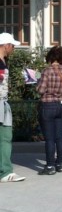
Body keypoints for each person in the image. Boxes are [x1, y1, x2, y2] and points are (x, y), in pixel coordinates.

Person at [36, 46, 62, 175]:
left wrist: (37, 81)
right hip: (61, 106)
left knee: (50, 139)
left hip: (48, 105)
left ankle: (50, 166)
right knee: (59, 137)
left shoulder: (47, 71)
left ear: (50, 57)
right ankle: (60, 164)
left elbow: (40, 90)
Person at [0, 33, 25, 183]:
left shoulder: (3, 61)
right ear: (5, 45)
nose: (13, 48)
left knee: (5, 137)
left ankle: (5, 170)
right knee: (5, 138)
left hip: (3, 103)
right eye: (12, 45)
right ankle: (5, 171)